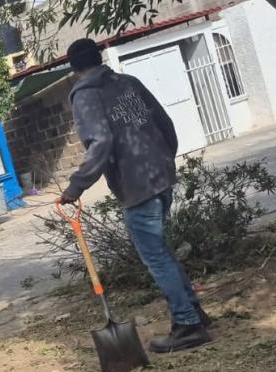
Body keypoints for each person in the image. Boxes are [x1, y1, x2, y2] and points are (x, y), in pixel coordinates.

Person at [60, 38, 212, 353]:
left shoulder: (86, 96)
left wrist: (76, 186)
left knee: (155, 256)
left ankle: (187, 325)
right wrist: (165, 159)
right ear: (99, 57)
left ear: (73, 69)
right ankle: (194, 313)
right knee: (161, 250)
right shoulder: (128, 83)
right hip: (160, 175)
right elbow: (164, 122)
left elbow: (99, 142)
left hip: (137, 185)